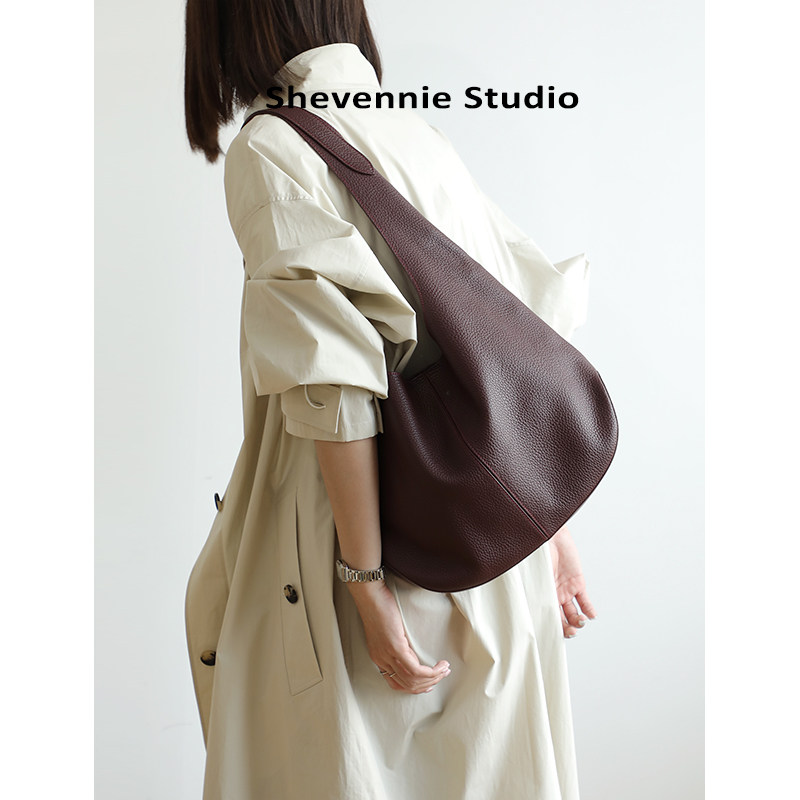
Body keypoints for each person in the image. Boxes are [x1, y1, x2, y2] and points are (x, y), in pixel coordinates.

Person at [183, 2, 597, 798]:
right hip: (488, 550)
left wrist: (364, 584)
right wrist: (548, 530)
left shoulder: (273, 147)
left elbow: (333, 385)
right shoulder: (416, 133)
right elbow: (516, 342)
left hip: (369, 548)